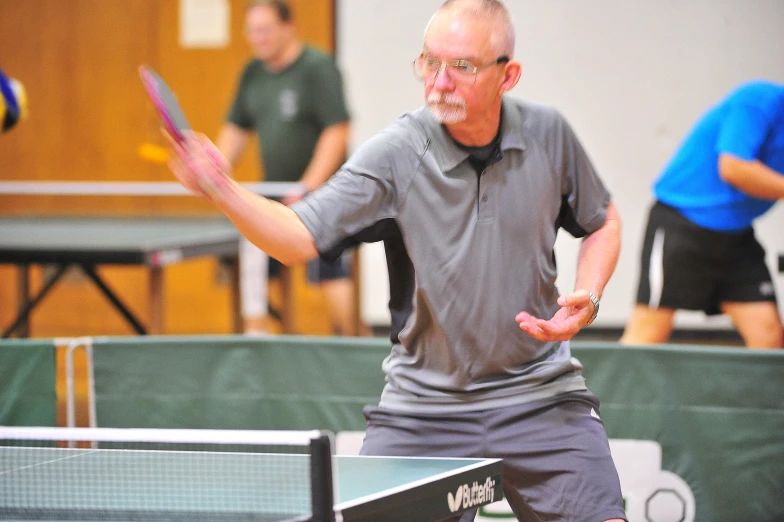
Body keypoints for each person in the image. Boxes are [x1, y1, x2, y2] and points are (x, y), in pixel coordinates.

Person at [167, 0, 626, 520]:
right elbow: (295, 239)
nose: (439, 81)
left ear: (508, 75)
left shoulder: (549, 134)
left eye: (463, 67)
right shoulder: (396, 154)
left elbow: (602, 221)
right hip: (425, 412)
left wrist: (587, 296)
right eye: (430, 61)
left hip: (541, 398)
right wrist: (221, 189)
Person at [217, 0, 362, 335]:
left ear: (289, 27)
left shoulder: (318, 68)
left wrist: (307, 188)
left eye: (265, 30)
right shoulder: (252, 73)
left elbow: (337, 130)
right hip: (273, 196)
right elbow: (235, 131)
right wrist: (214, 172)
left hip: (326, 197)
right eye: (252, 31)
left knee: (331, 275)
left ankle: (354, 346)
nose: (258, 38)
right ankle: (259, 347)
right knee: (253, 262)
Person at [621, 80, 784, 349]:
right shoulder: (759, 101)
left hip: (737, 237)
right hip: (682, 224)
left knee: (769, 336)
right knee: (648, 335)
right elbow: (734, 167)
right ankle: (612, 393)